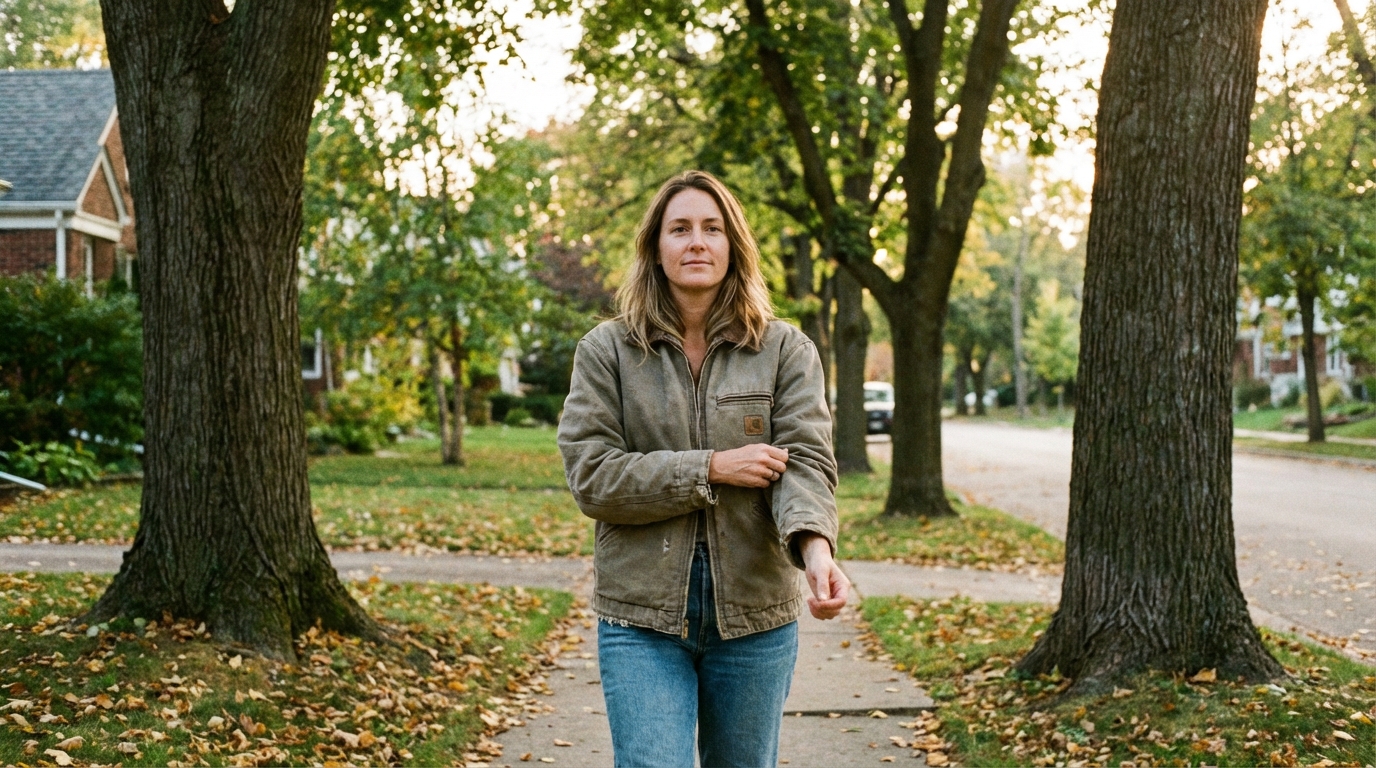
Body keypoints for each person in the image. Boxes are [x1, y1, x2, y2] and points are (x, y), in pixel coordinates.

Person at [557, 170, 849, 768]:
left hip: (754, 616)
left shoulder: (784, 350)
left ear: (732, 246)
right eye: (680, 229)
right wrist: (710, 468)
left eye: (712, 229)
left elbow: (806, 462)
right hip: (639, 617)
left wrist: (817, 552)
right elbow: (593, 476)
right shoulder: (607, 352)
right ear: (656, 249)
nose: (697, 242)